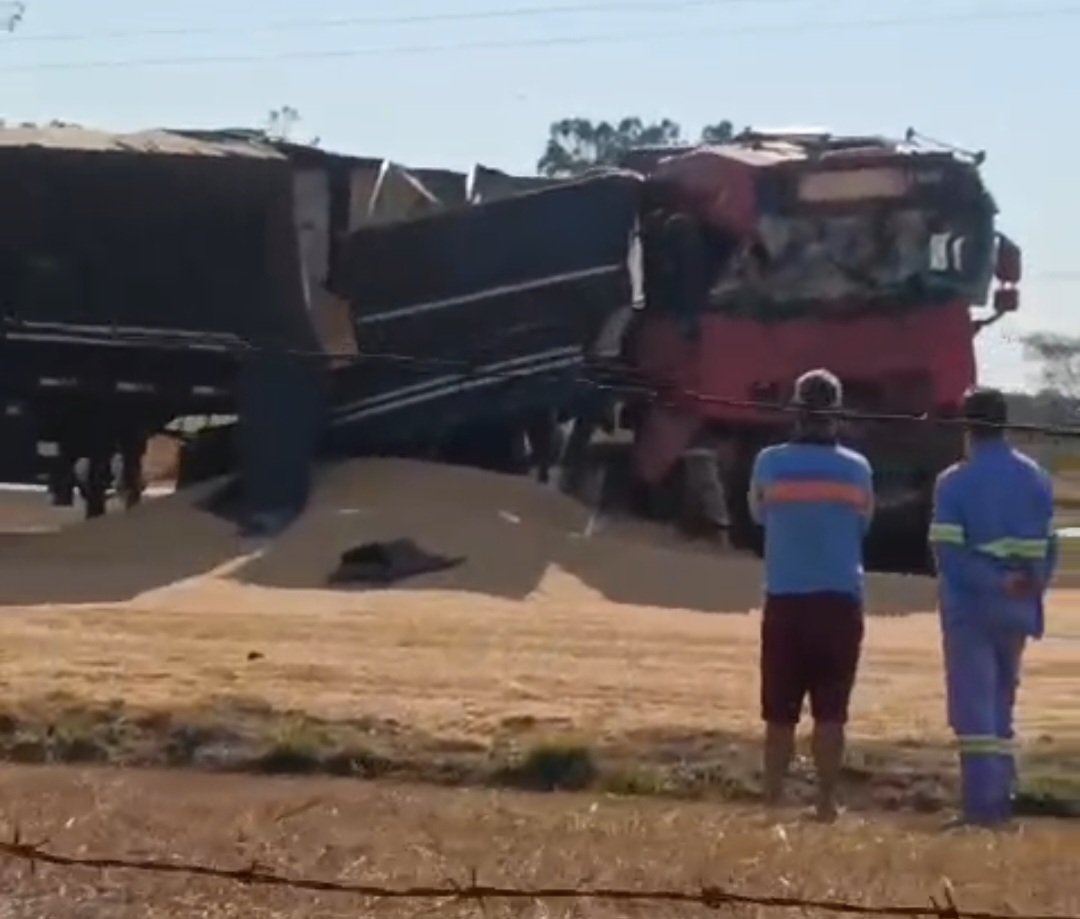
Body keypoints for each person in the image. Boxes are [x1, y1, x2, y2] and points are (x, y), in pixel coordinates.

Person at [928, 386, 1058, 827]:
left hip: (972, 608)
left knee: (974, 709)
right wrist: (1032, 584)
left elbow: (949, 554)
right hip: (1019, 609)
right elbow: (1049, 544)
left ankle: (981, 808)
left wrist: (996, 581)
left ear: (967, 426)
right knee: (1002, 704)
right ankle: (1002, 798)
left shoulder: (954, 482)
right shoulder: (1036, 477)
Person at [748, 369, 874, 821]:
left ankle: (772, 801)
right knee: (831, 710)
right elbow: (863, 523)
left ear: (796, 411)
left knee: (779, 711)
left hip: (785, 597)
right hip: (840, 599)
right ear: (836, 414)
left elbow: (758, 514)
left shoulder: (769, 462)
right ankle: (825, 802)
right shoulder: (858, 468)